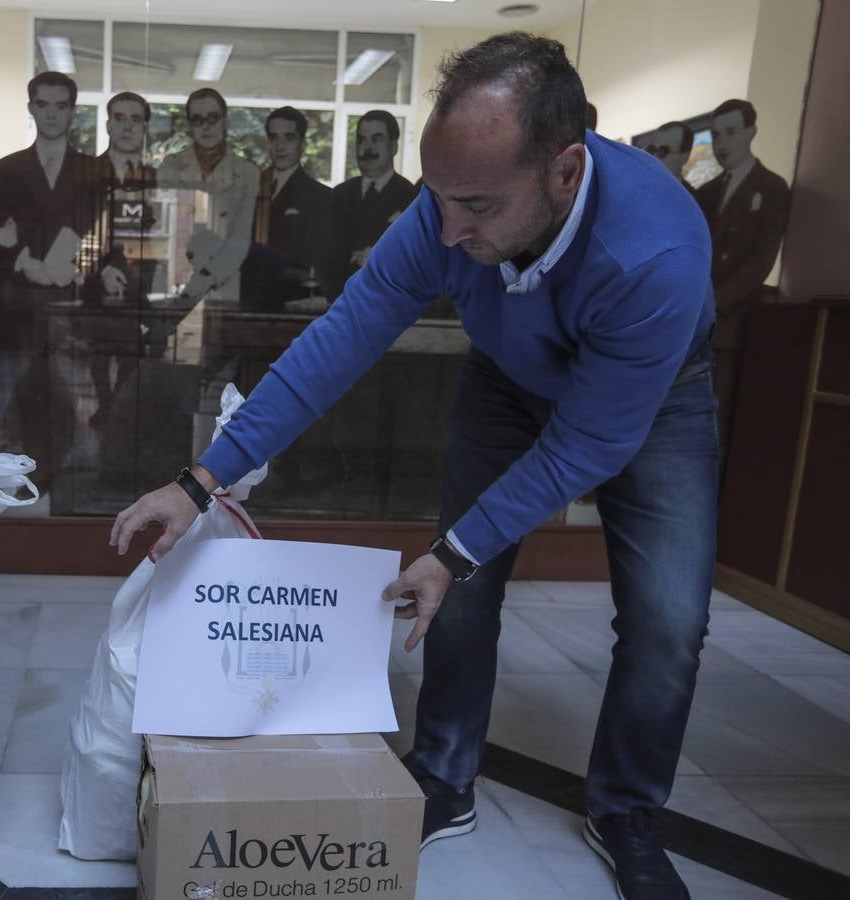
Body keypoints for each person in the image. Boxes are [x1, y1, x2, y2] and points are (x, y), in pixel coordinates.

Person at [111, 32, 715, 900]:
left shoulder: (656, 252)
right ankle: (442, 776)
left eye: (473, 205)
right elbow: (341, 340)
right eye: (436, 198)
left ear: (566, 173)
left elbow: (588, 444)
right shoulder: (444, 214)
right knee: (459, 596)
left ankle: (625, 810)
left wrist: (458, 546)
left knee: (667, 621)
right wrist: (199, 481)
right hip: (508, 380)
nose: (447, 228)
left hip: (654, 404)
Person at [0, 71, 103, 479]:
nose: (51, 114)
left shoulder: (92, 171)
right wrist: (28, 263)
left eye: (61, 105)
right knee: (26, 387)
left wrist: (58, 263)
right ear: (30, 108)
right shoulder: (7, 169)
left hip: (72, 298)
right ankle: (36, 466)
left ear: (73, 111)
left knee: (73, 386)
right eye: (43, 104)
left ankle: (67, 464)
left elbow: (94, 229)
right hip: (21, 303)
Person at [695, 99, 789, 462]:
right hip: (695, 321)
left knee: (717, 419)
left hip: (730, 323)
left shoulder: (771, 188)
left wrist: (716, 303)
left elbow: (761, 260)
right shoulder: (707, 192)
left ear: (751, 132)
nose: (722, 143)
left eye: (731, 132)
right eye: (716, 134)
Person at [83, 91, 159, 427]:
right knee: (99, 351)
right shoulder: (85, 173)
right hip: (93, 281)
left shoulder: (154, 178)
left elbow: (155, 233)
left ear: (145, 128)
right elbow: (76, 232)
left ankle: (117, 406)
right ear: (108, 123)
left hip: (138, 280)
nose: (127, 127)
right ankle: (106, 404)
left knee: (133, 349)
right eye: (119, 118)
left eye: (136, 119)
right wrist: (97, 272)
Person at [157, 88, 259, 301]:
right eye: (197, 120)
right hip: (176, 275)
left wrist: (206, 278)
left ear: (226, 121)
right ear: (189, 126)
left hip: (224, 280)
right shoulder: (171, 167)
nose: (206, 126)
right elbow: (163, 228)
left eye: (213, 118)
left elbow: (241, 238)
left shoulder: (248, 172)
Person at [243, 106, 333, 307]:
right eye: (273, 138)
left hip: (292, 304)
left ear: (302, 144)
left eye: (289, 138)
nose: (279, 146)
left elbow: (316, 264)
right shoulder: (247, 190)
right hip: (247, 302)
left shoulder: (321, 197)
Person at [328, 111, 418, 295]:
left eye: (376, 139)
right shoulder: (339, 194)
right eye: (361, 140)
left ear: (393, 146)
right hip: (338, 300)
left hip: (388, 301)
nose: (367, 148)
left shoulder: (411, 197)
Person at [645, 120, 696, 194]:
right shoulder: (635, 191)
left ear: (684, 157)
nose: (654, 156)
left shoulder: (693, 200)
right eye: (651, 149)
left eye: (663, 151)